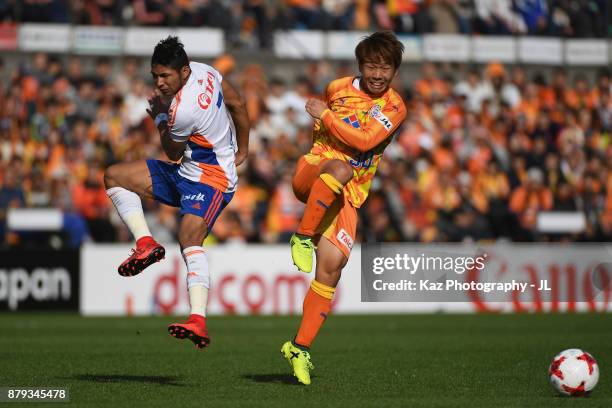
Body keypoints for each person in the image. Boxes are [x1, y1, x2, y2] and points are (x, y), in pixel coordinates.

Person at [104, 37, 249, 349]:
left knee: (188, 238)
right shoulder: (206, 71)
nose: (159, 83)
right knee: (114, 176)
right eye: (155, 76)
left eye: (165, 76)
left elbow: (171, 151)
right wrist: (245, 147)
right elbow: (237, 103)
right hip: (187, 171)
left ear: (183, 71)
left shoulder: (182, 109)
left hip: (212, 180)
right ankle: (145, 243)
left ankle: (198, 319)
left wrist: (158, 117)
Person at [282, 31, 407, 384]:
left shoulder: (395, 107)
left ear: (395, 72)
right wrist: (325, 125)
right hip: (316, 171)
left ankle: (298, 347)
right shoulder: (337, 88)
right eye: (372, 66)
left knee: (332, 269)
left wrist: (325, 116)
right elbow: (325, 133)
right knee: (339, 166)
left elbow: (365, 139)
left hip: (348, 194)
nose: (378, 74)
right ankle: (302, 236)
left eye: (385, 68)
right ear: (360, 66)